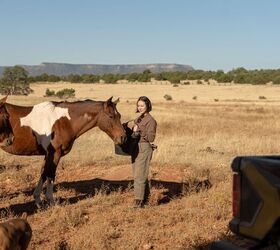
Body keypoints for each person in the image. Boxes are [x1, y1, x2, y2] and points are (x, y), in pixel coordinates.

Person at [131, 96, 157, 208]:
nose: (140, 107)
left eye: (142, 105)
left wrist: (139, 131)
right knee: (140, 174)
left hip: (144, 148)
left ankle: (138, 201)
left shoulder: (151, 121)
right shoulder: (139, 118)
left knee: (139, 175)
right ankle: (146, 198)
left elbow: (151, 138)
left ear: (148, 106)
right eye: (138, 105)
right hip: (135, 148)